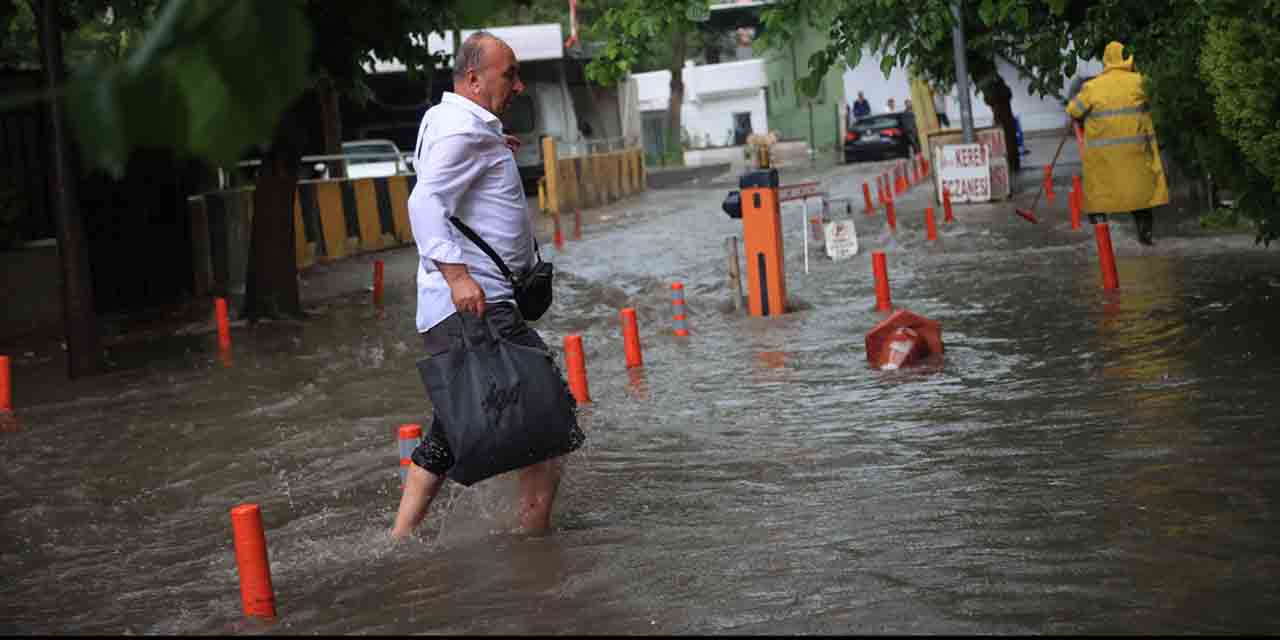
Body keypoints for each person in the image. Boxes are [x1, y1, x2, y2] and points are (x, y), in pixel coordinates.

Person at [392, 31, 585, 539]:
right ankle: (535, 555)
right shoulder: (464, 133)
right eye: (510, 75)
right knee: (549, 426)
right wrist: (458, 277)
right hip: (477, 307)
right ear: (474, 79)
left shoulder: (453, 123)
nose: (519, 86)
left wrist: (491, 148)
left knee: (452, 428)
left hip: (466, 311)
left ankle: (399, 543)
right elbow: (423, 204)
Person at [1066, 41, 1168, 245]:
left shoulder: (1092, 87)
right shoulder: (1140, 81)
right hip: (1135, 154)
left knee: (1099, 198)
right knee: (1140, 196)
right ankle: (1145, 237)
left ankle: (1101, 243)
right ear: (1128, 58)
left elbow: (1073, 110)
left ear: (1106, 61)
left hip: (1103, 158)